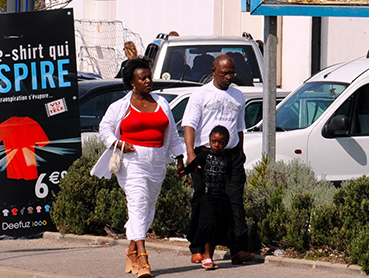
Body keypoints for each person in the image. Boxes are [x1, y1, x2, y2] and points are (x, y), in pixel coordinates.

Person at [91, 57, 185, 278]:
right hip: (132, 163)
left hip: (158, 161)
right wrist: (118, 143)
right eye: (142, 78)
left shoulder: (162, 103)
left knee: (148, 208)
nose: (147, 81)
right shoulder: (120, 106)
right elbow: (105, 129)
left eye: (149, 77)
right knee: (138, 204)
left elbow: (171, 134)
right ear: (132, 82)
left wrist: (180, 158)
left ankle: (131, 250)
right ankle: (143, 258)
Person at [182, 55, 255, 266]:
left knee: (234, 203)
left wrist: (240, 153)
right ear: (214, 71)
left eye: (232, 72)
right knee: (203, 202)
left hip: (231, 156)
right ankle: (198, 248)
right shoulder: (200, 94)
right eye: (224, 73)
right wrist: (191, 153)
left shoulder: (238, 96)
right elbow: (190, 125)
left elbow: (239, 127)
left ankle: (238, 249)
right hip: (205, 154)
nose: (229, 77)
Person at [184, 125, 234, 270]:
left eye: (220, 143)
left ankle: (209, 256)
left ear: (225, 144)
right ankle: (206, 257)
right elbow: (191, 167)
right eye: (214, 142)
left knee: (217, 228)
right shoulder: (204, 156)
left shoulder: (227, 159)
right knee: (208, 226)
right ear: (209, 141)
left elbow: (228, 177)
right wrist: (182, 170)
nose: (216, 145)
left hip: (220, 199)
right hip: (207, 198)